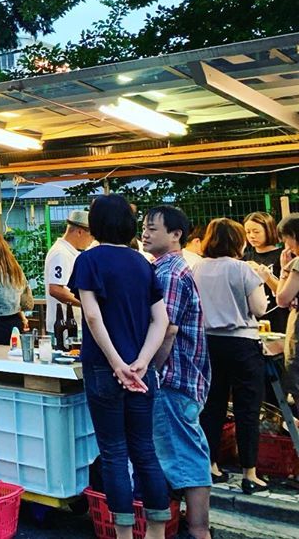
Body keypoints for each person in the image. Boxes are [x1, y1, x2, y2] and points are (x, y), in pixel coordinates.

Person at [68, 195, 171, 539]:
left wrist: (117, 364)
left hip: (103, 369)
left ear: (95, 225)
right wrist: (141, 362)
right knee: (145, 450)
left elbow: (92, 316)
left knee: (114, 453)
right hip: (143, 374)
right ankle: (157, 531)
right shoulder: (144, 264)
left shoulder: (88, 261)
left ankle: (124, 535)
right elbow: (162, 320)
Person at [142, 205, 212, 539]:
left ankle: (199, 530)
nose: (145, 233)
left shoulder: (168, 272)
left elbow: (165, 329)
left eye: (152, 228)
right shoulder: (167, 268)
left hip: (173, 377)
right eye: (144, 227)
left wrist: (149, 369)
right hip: (183, 376)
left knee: (186, 452)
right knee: (181, 451)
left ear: (175, 235)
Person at [194, 217, 270, 493]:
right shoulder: (243, 269)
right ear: (236, 241)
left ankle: (211, 466)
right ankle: (250, 473)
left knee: (212, 407)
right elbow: (260, 309)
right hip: (242, 343)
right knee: (247, 409)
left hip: (208, 343)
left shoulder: (197, 268)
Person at [45, 210, 94, 332]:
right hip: (65, 327)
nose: (91, 240)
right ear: (79, 232)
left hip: (71, 324)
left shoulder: (69, 252)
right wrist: (86, 303)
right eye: (91, 235)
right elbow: (56, 289)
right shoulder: (61, 254)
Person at [243, 212, 286, 333]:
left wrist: (266, 276)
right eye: (248, 232)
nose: (251, 236)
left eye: (256, 232)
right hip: (252, 322)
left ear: (269, 230)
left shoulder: (283, 256)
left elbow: (286, 293)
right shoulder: (246, 258)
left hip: (279, 319)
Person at [274, 214, 299, 423]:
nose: (284, 243)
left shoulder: (297, 262)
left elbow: (282, 298)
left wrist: (284, 268)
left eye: (285, 237)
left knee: (295, 372)